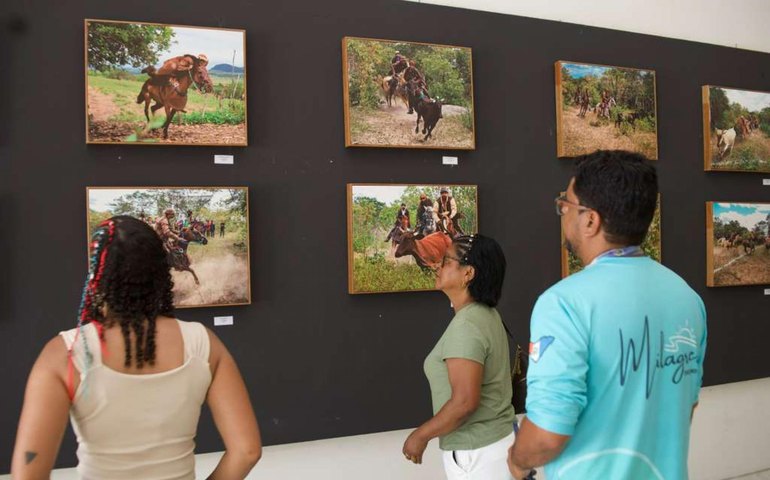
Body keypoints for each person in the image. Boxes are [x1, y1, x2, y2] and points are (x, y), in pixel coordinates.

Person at [507, 150, 707, 479]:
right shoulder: (687, 298)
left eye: (565, 205)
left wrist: (517, 460)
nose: (562, 213)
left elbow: (546, 435)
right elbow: (685, 406)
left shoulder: (563, 304)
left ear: (590, 220)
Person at [11, 216, 261, 479]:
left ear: (98, 274)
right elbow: (247, 452)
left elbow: (28, 474)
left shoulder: (65, 352)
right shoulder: (203, 343)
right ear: (161, 270)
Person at [403, 234, 517, 480]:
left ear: (468, 274)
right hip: (496, 445)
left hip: (477, 455)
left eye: (446, 261)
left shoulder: (466, 325)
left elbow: (465, 402)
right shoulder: (486, 314)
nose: (437, 266)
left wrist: (420, 435)